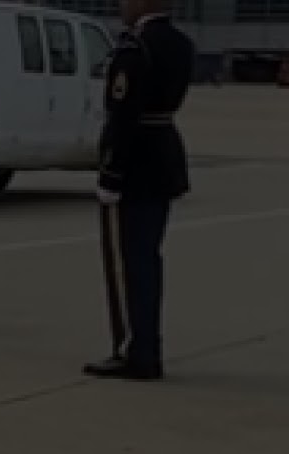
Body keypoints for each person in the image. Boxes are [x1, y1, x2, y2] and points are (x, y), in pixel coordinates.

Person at [84, 2, 193, 382]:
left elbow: (123, 114)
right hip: (163, 154)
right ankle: (146, 346)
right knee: (148, 258)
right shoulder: (180, 43)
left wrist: (111, 172)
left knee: (127, 262)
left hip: (135, 163)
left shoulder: (134, 48)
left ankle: (135, 350)